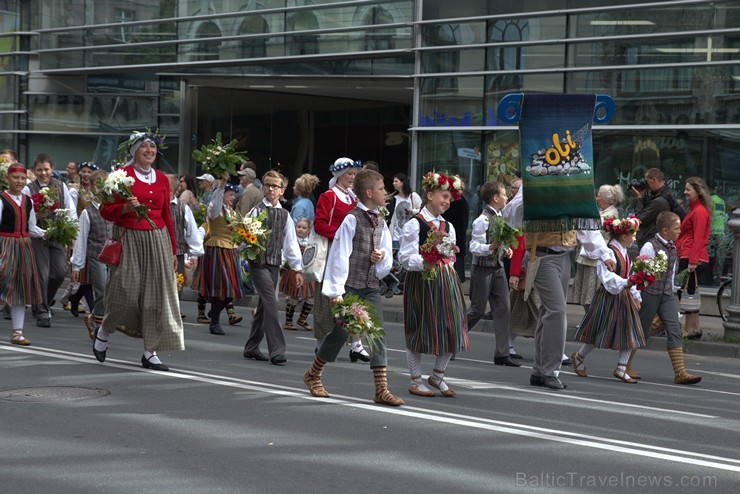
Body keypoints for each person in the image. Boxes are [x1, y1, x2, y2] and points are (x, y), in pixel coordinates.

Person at [303, 169, 404, 406]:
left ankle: (381, 389)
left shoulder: (380, 220)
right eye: (381, 189)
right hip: (350, 286)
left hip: (370, 285)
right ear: (369, 193)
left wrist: (381, 260)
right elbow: (340, 255)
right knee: (340, 333)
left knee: (377, 333)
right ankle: (313, 374)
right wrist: (336, 292)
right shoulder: (351, 219)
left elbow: (387, 254)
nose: (385, 192)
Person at [504, 183, 615, 390]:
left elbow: (585, 225)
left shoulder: (573, 183)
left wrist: (604, 253)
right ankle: (550, 371)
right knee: (556, 312)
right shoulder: (534, 181)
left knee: (549, 312)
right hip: (541, 256)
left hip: (565, 256)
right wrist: (532, 194)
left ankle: (539, 370)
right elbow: (511, 216)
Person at [93, 130, 183, 371]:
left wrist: (173, 250)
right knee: (124, 292)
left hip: (158, 238)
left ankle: (149, 352)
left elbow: (167, 215)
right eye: (144, 147)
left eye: (152, 147)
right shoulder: (121, 176)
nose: (150, 151)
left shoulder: (163, 179)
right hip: (130, 237)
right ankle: (103, 331)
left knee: (156, 296)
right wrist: (123, 209)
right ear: (134, 151)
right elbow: (105, 211)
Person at [399, 171, 469, 397]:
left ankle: (437, 376)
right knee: (419, 327)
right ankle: (415, 379)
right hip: (422, 280)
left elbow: (452, 255)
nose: (447, 202)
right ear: (429, 195)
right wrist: (426, 261)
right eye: (444, 196)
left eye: (450, 198)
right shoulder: (415, 224)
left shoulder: (449, 226)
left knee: (453, 326)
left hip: (446, 279)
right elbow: (405, 258)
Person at [571, 216, 646, 383]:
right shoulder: (609, 252)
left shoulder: (625, 253)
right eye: (632, 235)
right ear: (624, 236)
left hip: (623, 297)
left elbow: (630, 276)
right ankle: (579, 357)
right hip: (608, 297)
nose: (634, 238)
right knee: (598, 332)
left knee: (630, 331)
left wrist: (636, 295)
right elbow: (606, 277)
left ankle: (621, 367)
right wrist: (626, 283)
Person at [312, 157, 372, 362]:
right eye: (349, 174)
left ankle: (356, 344)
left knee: (352, 295)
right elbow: (319, 224)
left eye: (354, 174)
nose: (352, 178)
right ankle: (321, 343)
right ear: (338, 175)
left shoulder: (354, 198)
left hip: (351, 252)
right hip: (332, 251)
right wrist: (340, 234)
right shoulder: (329, 196)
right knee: (327, 298)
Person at [243, 171, 303, 365]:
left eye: (274, 186)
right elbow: (244, 235)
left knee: (264, 306)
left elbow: (290, 243)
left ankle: (251, 347)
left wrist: (297, 268)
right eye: (267, 185)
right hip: (258, 263)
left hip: (275, 263)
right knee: (270, 302)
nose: (270, 188)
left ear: (281, 190)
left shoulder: (286, 215)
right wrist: (245, 252)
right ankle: (277, 350)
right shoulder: (256, 210)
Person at [634, 212, 701, 384]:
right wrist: (637, 295)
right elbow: (639, 273)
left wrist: (671, 290)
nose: (679, 231)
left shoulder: (672, 247)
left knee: (674, 330)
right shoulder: (650, 246)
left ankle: (680, 373)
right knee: (640, 330)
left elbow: (670, 274)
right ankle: (623, 365)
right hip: (649, 293)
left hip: (666, 295)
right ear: (665, 230)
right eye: (676, 228)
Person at [467, 181, 519, 367]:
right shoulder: (482, 220)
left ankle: (502, 354)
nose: (507, 197)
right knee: (477, 310)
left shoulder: (499, 217)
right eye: (504, 194)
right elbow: (474, 247)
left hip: (497, 268)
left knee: (504, 308)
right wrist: (491, 247)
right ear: (495, 198)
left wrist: (505, 249)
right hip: (482, 268)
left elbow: (498, 241)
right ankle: (451, 338)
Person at [24, 153, 78, 327]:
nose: (43, 173)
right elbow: (24, 214)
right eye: (39, 169)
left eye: (46, 169)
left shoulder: (61, 186)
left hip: (56, 234)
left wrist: (71, 233)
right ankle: (42, 311)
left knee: (60, 272)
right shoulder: (28, 189)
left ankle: (41, 301)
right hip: (36, 235)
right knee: (41, 273)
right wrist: (38, 215)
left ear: (52, 169)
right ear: (34, 170)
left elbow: (70, 211)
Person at [0, 164, 44, 345]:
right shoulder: (2, 199)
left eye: (22, 178)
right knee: (3, 284)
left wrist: (47, 233)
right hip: (5, 245)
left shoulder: (28, 201)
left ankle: (17, 332)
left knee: (20, 289)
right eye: (15, 177)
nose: (19, 181)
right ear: (8, 179)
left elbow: (31, 227)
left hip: (24, 247)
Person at [71, 169, 113, 339]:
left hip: (113, 257)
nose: (103, 191)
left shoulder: (113, 210)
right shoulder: (88, 212)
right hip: (96, 255)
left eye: (106, 187)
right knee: (102, 290)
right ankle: (98, 328)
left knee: (113, 292)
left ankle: (93, 317)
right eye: (99, 187)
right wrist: (77, 265)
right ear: (93, 188)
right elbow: (81, 239)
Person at [200, 175, 244, 335]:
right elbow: (216, 199)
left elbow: (238, 233)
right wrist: (223, 183)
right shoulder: (215, 208)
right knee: (222, 287)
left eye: (234, 195)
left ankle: (215, 313)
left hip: (230, 251)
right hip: (218, 249)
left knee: (233, 289)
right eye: (230, 194)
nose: (233, 197)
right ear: (223, 194)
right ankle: (215, 322)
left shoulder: (230, 211)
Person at [572, 184, 623, 313]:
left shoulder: (609, 215)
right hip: (588, 255)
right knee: (585, 293)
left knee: (590, 293)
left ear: (605, 199)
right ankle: (588, 319)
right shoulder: (602, 212)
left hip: (595, 257)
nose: (596, 198)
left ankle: (591, 320)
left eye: (599, 195)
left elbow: (594, 233)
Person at [676, 176, 712, 340]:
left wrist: (692, 261)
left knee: (688, 293)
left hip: (691, 255)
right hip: (690, 254)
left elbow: (698, 238)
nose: (685, 192)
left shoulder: (698, 212)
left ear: (698, 192)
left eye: (688, 189)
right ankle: (695, 328)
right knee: (691, 292)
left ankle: (689, 328)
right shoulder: (697, 210)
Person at [167, 174, 205, 319]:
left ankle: (172, 314)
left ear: (170, 189)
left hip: (178, 254)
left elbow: (192, 233)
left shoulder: (183, 208)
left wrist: (194, 255)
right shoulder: (156, 205)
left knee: (177, 286)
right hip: (157, 252)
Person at [632, 168, 685, 247]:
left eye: (647, 181)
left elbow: (640, 219)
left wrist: (639, 199)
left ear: (654, 179)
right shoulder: (665, 194)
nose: (646, 184)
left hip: (653, 240)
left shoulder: (660, 201)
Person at [281, 217, 315, 331]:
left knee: (311, 296)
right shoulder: (292, 240)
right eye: (298, 227)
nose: (300, 229)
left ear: (309, 230)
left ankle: (302, 319)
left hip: (307, 272)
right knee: (294, 296)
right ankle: (288, 321)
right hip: (294, 271)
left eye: (304, 228)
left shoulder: (312, 242)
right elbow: (286, 253)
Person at [442, 180, 470, 282]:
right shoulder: (460, 202)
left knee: (454, 274)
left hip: (455, 241)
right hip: (456, 241)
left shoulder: (459, 202)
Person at [387, 173, 422, 249]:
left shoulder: (413, 196)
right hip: (396, 234)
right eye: (393, 181)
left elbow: (422, 210)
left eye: (396, 181)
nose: (393, 183)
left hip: (410, 234)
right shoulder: (394, 198)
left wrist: (413, 211)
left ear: (402, 182)